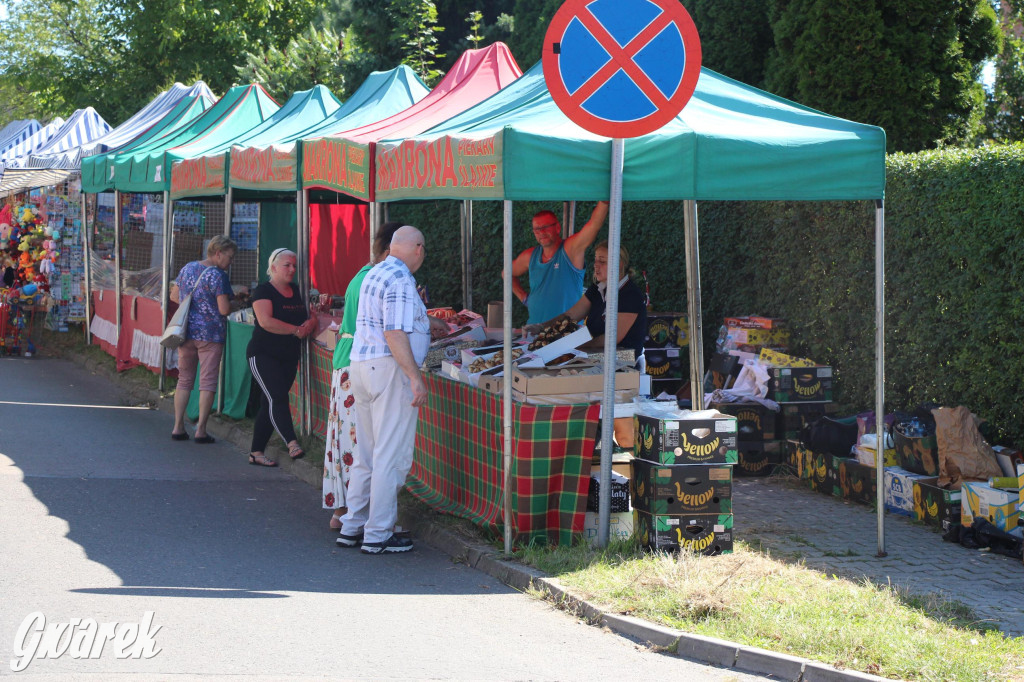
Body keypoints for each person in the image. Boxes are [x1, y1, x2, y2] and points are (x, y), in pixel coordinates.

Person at [337, 225, 430, 554]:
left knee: (368, 454)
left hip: (362, 366)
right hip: (388, 369)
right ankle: (378, 533)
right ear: (417, 249)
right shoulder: (402, 279)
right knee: (389, 456)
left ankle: (353, 525)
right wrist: (415, 377)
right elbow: (394, 333)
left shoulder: (376, 271)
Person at [323, 222, 404, 530]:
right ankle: (355, 515)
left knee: (348, 440)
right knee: (361, 445)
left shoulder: (361, 275)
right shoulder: (379, 278)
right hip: (361, 363)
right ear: (390, 251)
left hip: (347, 362)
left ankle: (344, 512)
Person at [246, 248, 318, 466]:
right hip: (263, 354)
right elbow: (266, 322)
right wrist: (296, 331)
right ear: (274, 267)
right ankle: (292, 442)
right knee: (277, 397)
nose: (292, 269)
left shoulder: (297, 290)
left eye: (294, 266)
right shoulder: (263, 291)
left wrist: (310, 324)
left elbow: (311, 314)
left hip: (288, 356)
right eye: (287, 265)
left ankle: (256, 453)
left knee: (269, 401)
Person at [528, 242, 647, 361]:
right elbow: (570, 316)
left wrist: (574, 347)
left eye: (602, 261)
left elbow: (612, 339)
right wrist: (540, 327)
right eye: (595, 260)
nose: (596, 265)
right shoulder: (597, 288)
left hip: (624, 362)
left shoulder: (631, 295)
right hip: (594, 355)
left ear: (619, 264)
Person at [169, 235, 237, 443]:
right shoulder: (217, 275)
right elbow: (224, 309)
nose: (230, 262)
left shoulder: (188, 268)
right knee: (207, 381)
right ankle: (201, 430)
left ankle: (178, 426)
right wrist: (239, 302)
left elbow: (174, 296)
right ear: (218, 253)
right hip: (211, 334)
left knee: (184, 379)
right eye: (229, 257)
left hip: (186, 331)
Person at [506, 200, 609, 325]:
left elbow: (593, 226)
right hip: (534, 332)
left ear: (558, 227)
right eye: (537, 229)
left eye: (545, 227)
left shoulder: (570, 250)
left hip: (567, 335)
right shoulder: (530, 256)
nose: (541, 232)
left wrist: (604, 202)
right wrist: (523, 297)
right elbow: (506, 273)